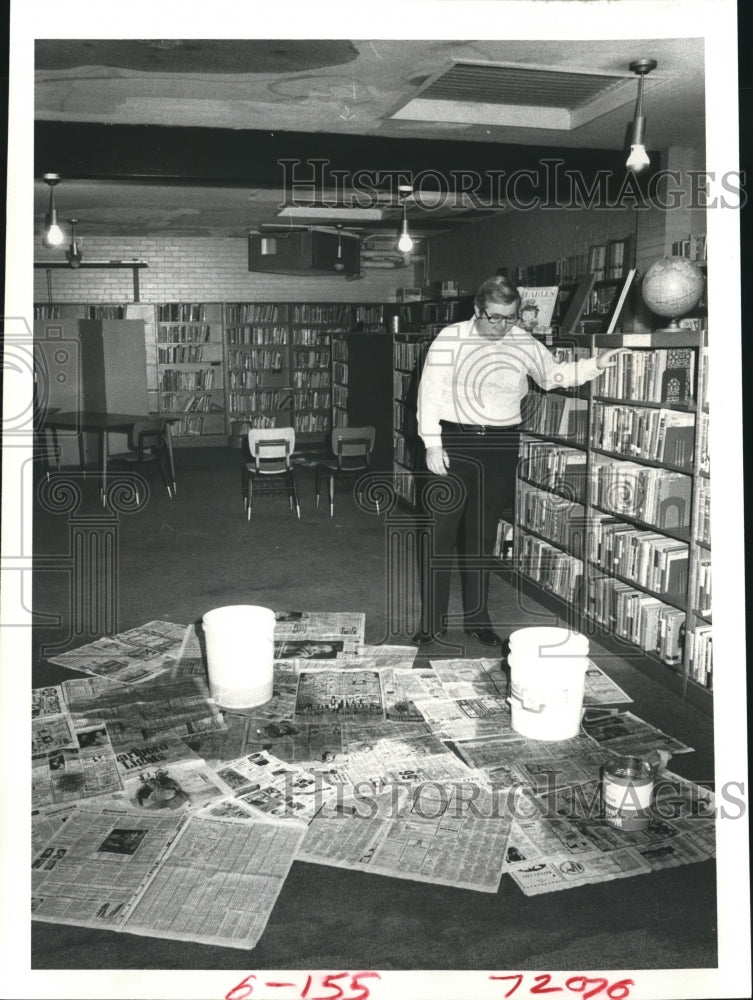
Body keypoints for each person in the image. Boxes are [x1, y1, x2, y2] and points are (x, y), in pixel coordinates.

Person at [413, 275, 626, 646]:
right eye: (494, 317)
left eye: (510, 317)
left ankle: (478, 618)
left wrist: (595, 365)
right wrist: (432, 443)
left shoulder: (521, 340)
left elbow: (552, 375)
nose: (502, 325)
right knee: (439, 535)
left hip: (499, 444)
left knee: (481, 536)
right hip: (453, 442)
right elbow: (428, 393)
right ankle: (432, 621)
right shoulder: (451, 338)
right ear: (477, 310)